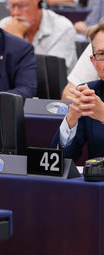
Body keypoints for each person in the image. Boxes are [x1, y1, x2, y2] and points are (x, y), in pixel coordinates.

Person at [52, 19, 104, 161]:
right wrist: (71, 120)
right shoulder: (91, 92)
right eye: (102, 54)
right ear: (93, 62)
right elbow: (61, 159)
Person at [0, 0, 77, 73]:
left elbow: (51, 75)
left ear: (40, 4)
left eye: (22, 5)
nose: (15, 13)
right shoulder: (4, 25)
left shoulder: (63, 29)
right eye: (12, 6)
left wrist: (16, 42)